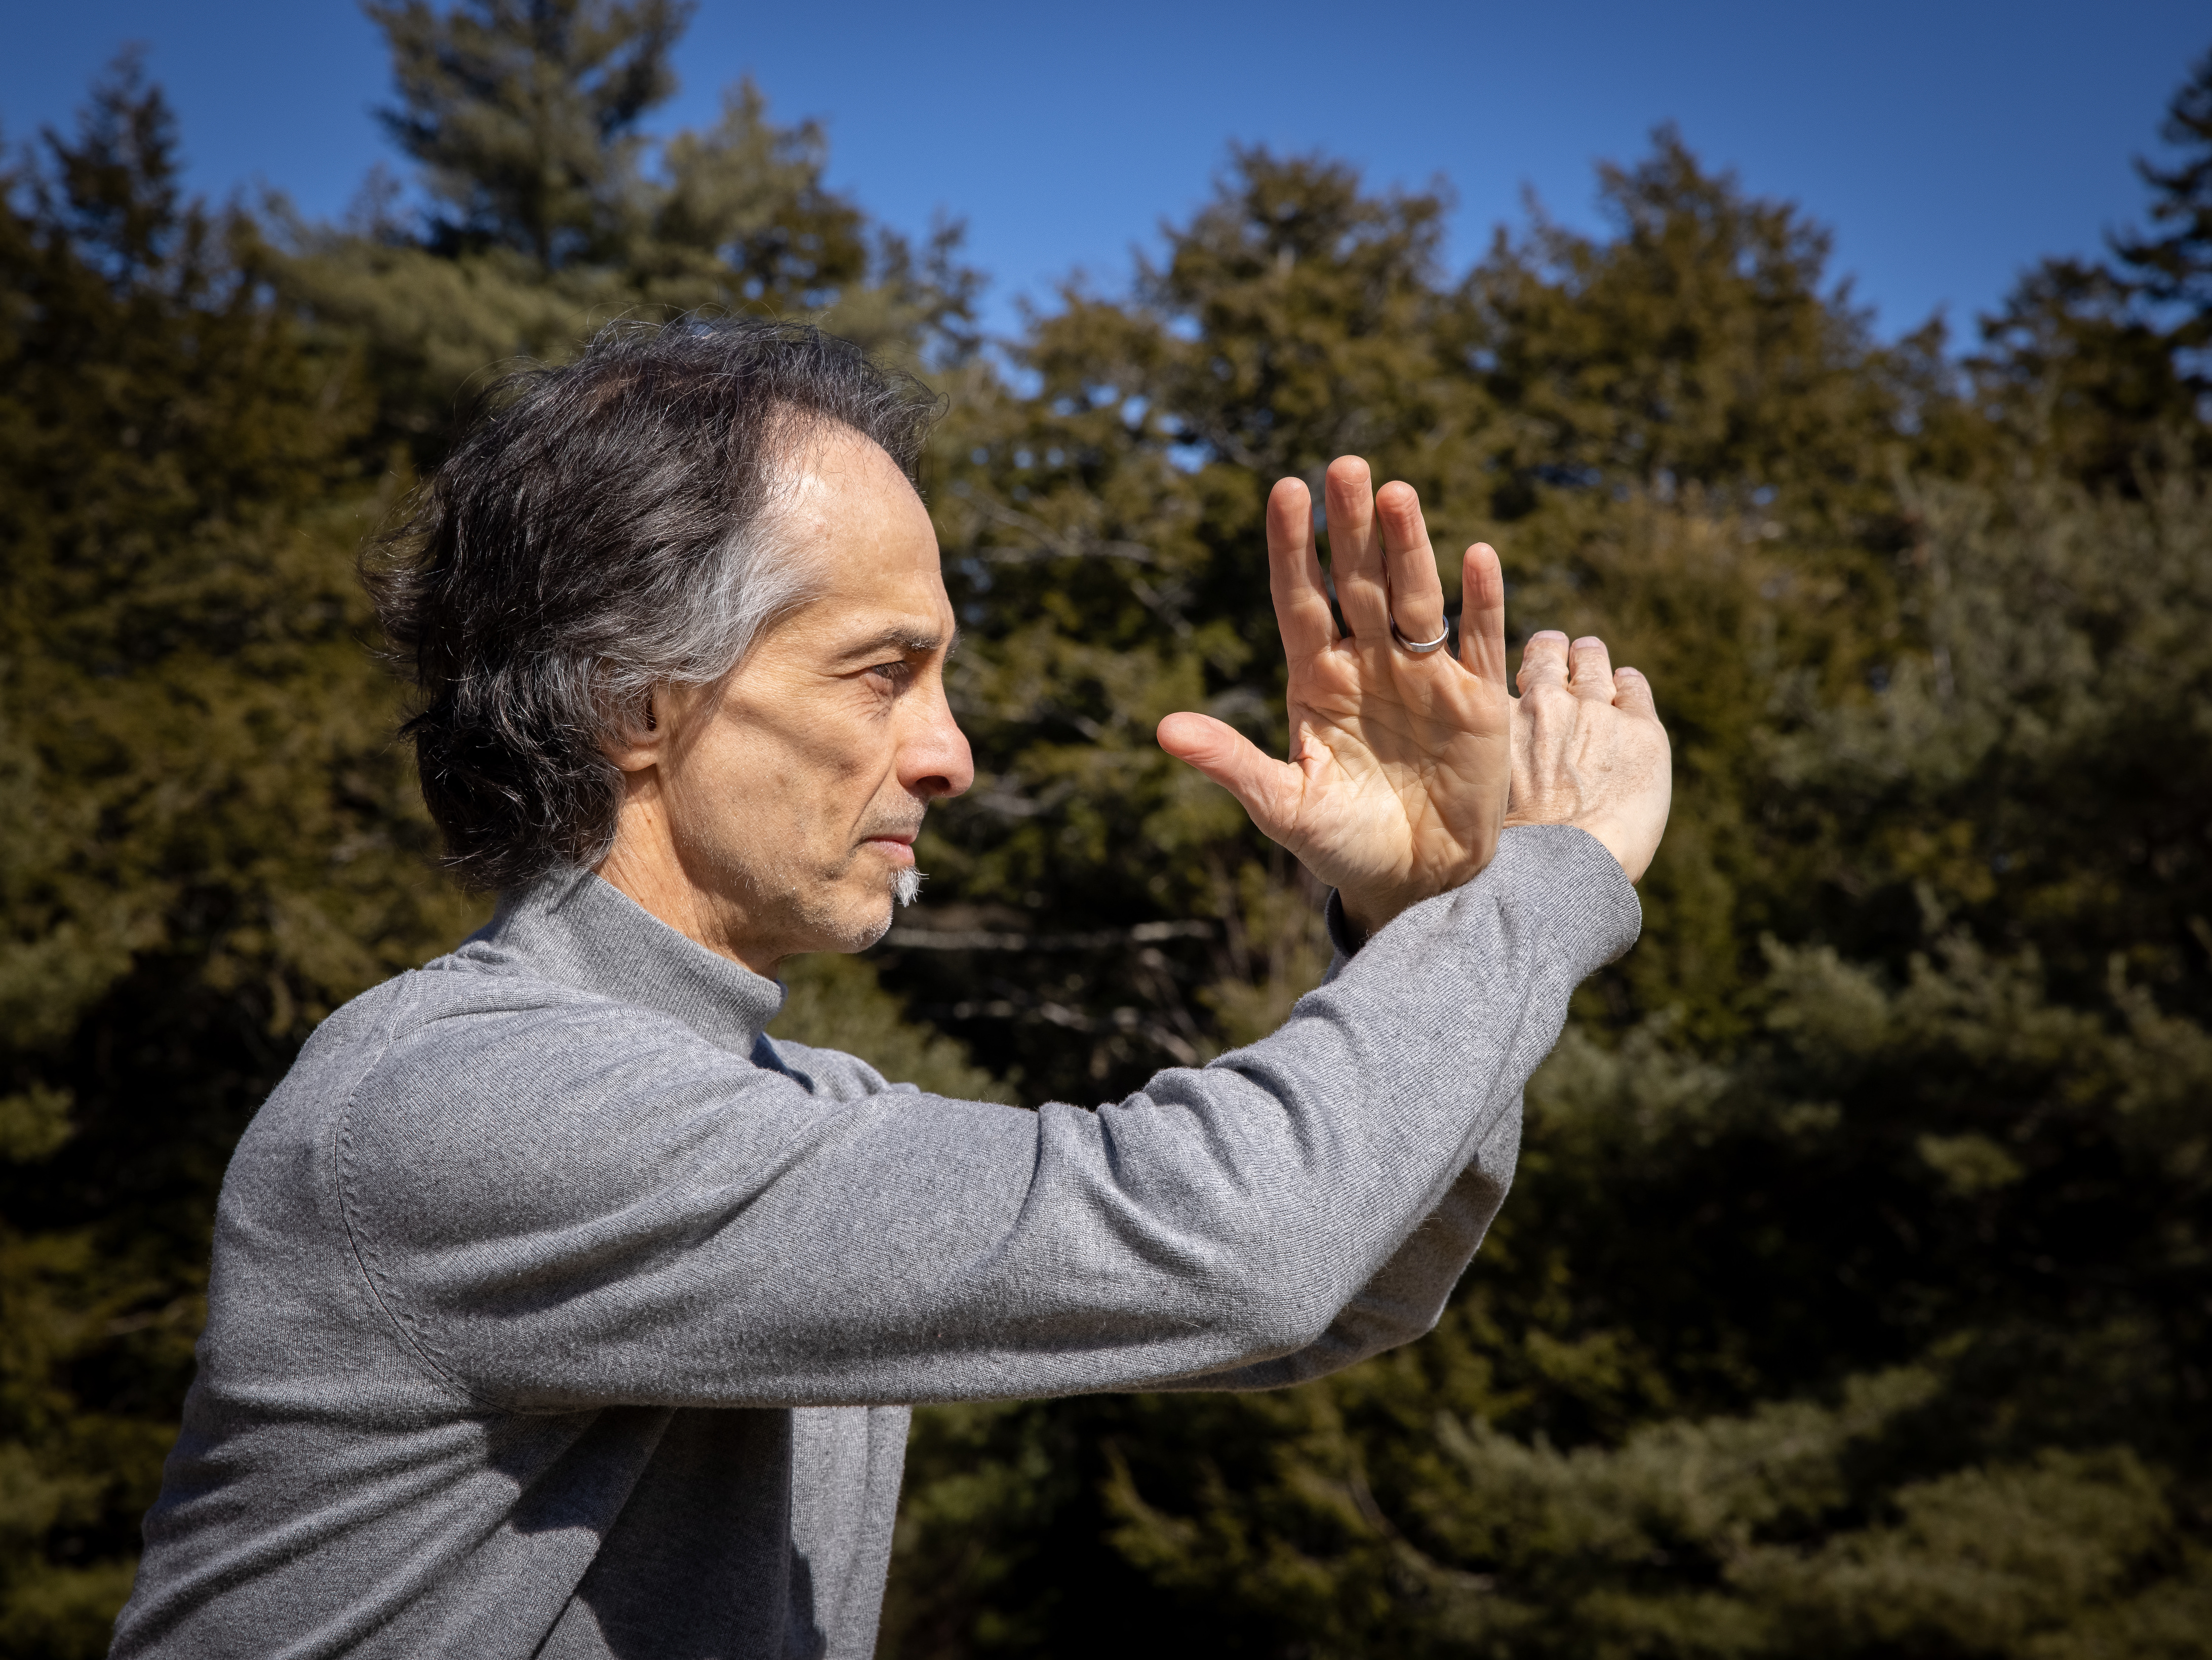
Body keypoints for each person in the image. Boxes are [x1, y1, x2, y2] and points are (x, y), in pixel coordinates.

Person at [108, 319, 1671, 1659]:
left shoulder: (782, 1113)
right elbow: (1232, 1247)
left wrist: (1422, 916)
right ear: (637, 706)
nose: (949, 753)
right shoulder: (465, 1107)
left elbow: (1339, 1282)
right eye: (882, 672)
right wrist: (1547, 881)